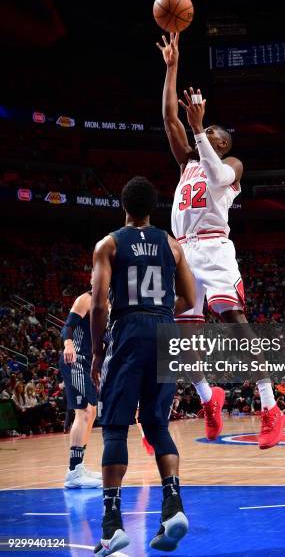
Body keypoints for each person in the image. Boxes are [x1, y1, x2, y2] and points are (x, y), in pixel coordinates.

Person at [157, 32, 285, 449]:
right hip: (182, 251)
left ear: (223, 143)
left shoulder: (232, 164)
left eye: (214, 132)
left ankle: (270, 407)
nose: (207, 132)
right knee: (183, 338)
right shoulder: (186, 161)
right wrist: (172, 68)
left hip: (214, 249)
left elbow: (217, 176)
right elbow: (167, 119)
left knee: (236, 325)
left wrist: (199, 131)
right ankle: (208, 398)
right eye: (205, 129)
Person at [91, 176, 195, 556]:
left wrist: (100, 353)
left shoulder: (109, 244)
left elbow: (100, 304)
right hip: (165, 328)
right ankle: (173, 509)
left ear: (124, 206)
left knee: (116, 427)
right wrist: (162, 315)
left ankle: (112, 524)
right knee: (157, 425)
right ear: (153, 208)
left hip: (129, 330)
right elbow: (191, 296)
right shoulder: (172, 244)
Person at [59, 288, 103, 489]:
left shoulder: (110, 305)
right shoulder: (85, 299)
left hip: (89, 365)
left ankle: (79, 467)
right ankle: (74, 472)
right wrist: (68, 344)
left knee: (91, 412)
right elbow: (67, 327)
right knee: (84, 412)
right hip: (75, 360)